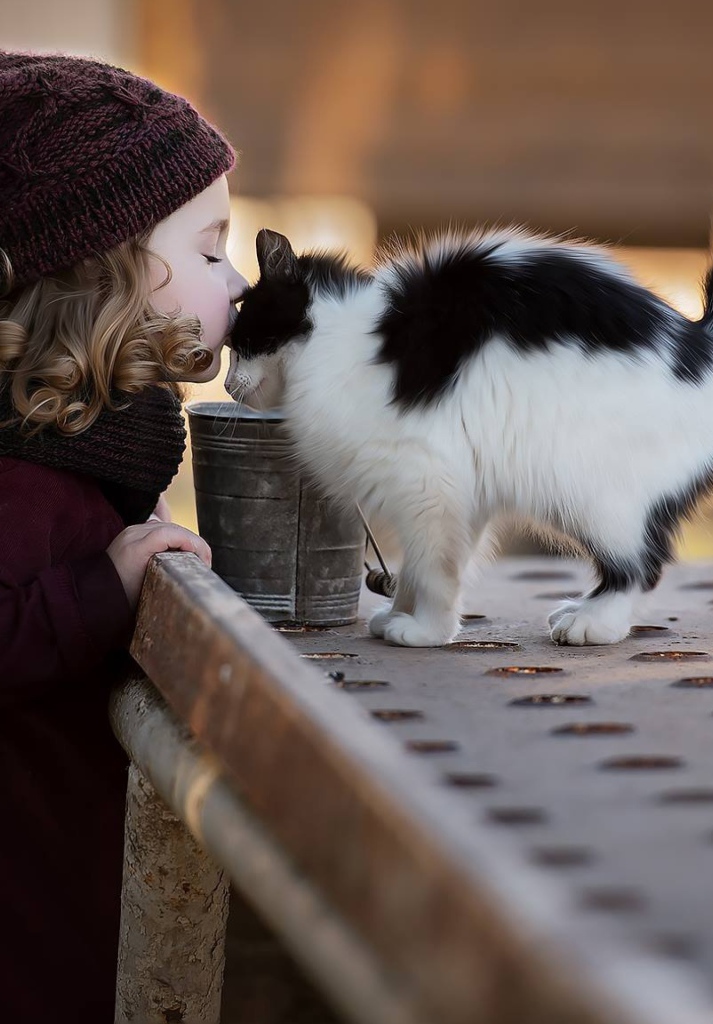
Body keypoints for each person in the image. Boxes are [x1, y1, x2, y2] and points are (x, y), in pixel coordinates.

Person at [0, 51, 247, 1022]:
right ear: (115, 265)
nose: (236, 278)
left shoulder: (81, 447)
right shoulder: (21, 473)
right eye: (211, 248)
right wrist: (103, 586)